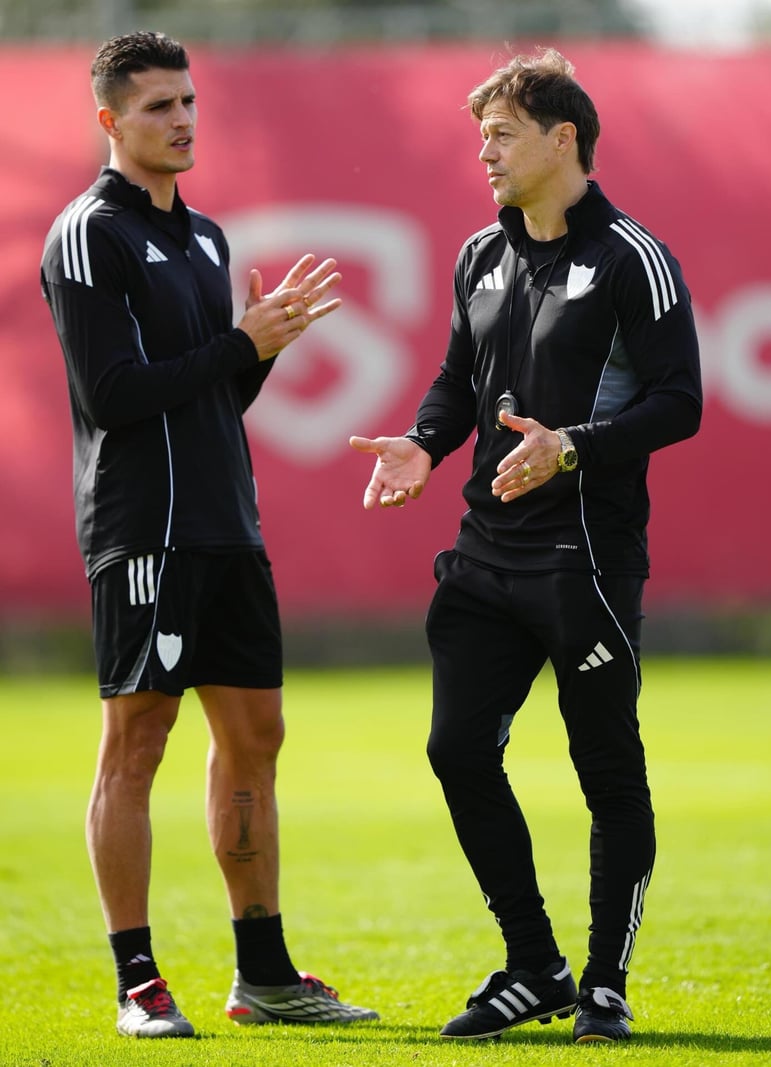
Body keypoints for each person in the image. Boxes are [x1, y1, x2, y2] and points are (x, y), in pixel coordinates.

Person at [351, 49, 701, 1044]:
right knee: (455, 749)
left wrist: (570, 446)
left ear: (563, 139)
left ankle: (604, 981)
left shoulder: (631, 257)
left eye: (501, 135)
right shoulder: (479, 254)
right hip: (484, 553)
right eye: (481, 138)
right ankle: (533, 962)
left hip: (584, 558)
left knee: (606, 769)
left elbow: (680, 401)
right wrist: (423, 444)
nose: (486, 154)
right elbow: (456, 380)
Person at [41, 30, 379, 1039]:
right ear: (110, 120)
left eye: (188, 101)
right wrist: (241, 341)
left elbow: (212, 400)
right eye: (158, 106)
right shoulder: (88, 234)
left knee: (256, 737)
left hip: (227, 521)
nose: (182, 120)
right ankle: (137, 981)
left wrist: (258, 350)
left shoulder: (206, 238)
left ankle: (264, 973)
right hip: (143, 529)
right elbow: (112, 396)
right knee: (138, 740)